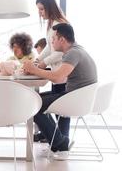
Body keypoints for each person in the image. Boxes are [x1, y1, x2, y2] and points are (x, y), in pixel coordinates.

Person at [23, 23, 97, 159]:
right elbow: (58, 75)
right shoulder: (76, 50)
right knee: (34, 99)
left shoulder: (73, 53)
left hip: (76, 98)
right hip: (77, 95)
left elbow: (58, 78)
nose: (51, 42)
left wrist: (34, 70)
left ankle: (60, 142)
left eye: (53, 39)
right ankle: (58, 141)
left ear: (62, 39)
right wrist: (37, 69)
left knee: (34, 105)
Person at [35, 0, 70, 141]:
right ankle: (55, 136)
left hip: (63, 74)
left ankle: (62, 139)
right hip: (58, 75)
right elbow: (50, 48)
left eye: (42, 9)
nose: (40, 13)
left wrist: (43, 63)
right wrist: (38, 59)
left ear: (49, 7)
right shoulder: (52, 25)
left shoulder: (60, 25)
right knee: (58, 108)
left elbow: (59, 51)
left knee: (62, 110)